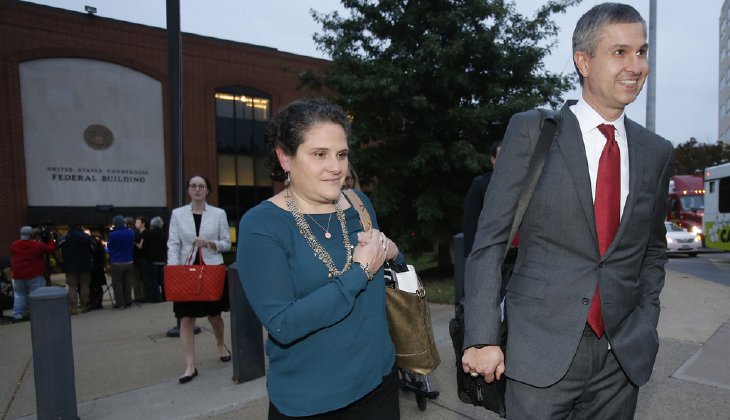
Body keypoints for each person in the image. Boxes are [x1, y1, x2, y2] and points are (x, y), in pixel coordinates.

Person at [462, 3, 674, 419]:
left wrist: (645, 320)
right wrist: (482, 336)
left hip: (620, 360)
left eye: (641, 52)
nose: (635, 66)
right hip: (538, 354)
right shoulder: (533, 132)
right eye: (619, 52)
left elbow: (652, 250)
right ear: (584, 61)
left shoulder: (656, 152)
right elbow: (490, 241)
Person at [237, 98, 401, 419]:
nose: (336, 167)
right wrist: (359, 271)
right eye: (319, 154)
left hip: (379, 384)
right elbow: (283, 324)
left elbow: (389, 270)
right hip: (309, 402)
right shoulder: (262, 225)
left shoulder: (359, 204)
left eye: (341, 154)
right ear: (285, 157)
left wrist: (392, 251)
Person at [167, 175, 232, 384]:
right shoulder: (177, 214)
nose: (197, 189)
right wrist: (173, 270)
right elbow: (173, 244)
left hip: (210, 271)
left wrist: (210, 243)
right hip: (186, 273)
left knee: (215, 316)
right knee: (186, 318)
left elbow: (226, 243)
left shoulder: (218, 214)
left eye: (201, 186)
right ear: (188, 190)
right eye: (193, 186)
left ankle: (220, 344)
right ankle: (190, 366)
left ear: (207, 190)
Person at [461, 140, 501, 257]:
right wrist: (473, 254)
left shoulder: (523, 185)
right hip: (489, 252)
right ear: (493, 159)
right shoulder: (480, 184)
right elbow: (470, 221)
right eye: (501, 157)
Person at [10, 226, 56, 322]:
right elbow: (50, 249)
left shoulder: (14, 245)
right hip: (34, 273)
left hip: (18, 274)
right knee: (36, 295)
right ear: (32, 235)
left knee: (19, 295)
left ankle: (18, 315)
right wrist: (51, 240)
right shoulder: (37, 245)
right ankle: (37, 314)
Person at [58, 225, 96, 314]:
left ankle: (73, 307)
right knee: (84, 285)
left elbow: (58, 248)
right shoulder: (86, 237)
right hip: (85, 265)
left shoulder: (64, 238)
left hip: (70, 266)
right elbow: (94, 247)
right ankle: (84, 306)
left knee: (72, 286)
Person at [107, 215, 136, 309]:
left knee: (117, 283)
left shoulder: (113, 234)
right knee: (128, 282)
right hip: (129, 260)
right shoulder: (131, 232)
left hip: (117, 261)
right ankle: (128, 301)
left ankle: (120, 303)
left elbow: (110, 247)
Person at [139, 216, 167, 302]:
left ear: (152, 224)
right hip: (162, 260)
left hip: (152, 260)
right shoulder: (164, 234)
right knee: (162, 280)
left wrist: (146, 258)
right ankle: (165, 296)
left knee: (153, 280)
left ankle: (157, 297)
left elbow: (145, 247)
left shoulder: (149, 234)